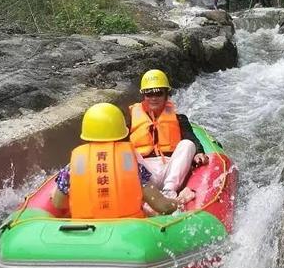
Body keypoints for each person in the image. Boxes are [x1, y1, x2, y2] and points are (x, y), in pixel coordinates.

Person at [51, 103, 188, 218]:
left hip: (85, 233)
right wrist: (180, 201)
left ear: (86, 135)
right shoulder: (130, 163)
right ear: (122, 133)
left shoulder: (73, 166)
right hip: (127, 231)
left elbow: (58, 203)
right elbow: (161, 205)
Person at [128, 70, 208, 199]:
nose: (153, 98)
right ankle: (144, 196)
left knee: (187, 144)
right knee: (127, 150)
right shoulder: (130, 120)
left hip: (172, 170)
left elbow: (191, 138)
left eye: (159, 93)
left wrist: (199, 152)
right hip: (146, 174)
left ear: (166, 95)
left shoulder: (179, 118)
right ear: (144, 96)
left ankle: (169, 192)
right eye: (149, 94)